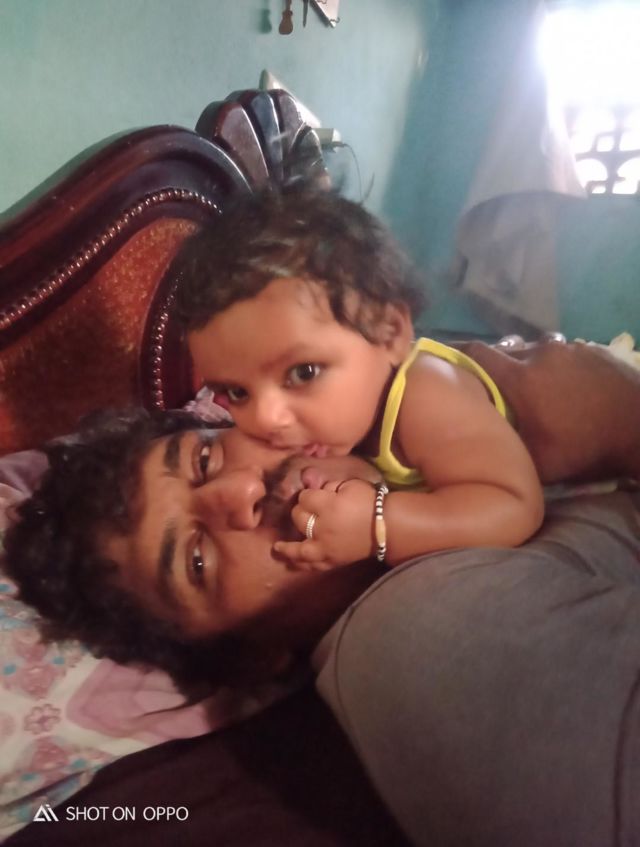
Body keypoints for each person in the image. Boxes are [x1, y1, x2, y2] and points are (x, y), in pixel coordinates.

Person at [3, 344, 640, 845]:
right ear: (255, 658)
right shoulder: (421, 637)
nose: (245, 490)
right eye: (196, 559)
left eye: (203, 460)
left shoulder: (409, 434)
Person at [171, 188, 544, 572]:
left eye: (303, 372)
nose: (265, 419)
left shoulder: (426, 397)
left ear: (390, 334)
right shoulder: (335, 419)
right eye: (237, 392)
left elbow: (514, 505)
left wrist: (376, 527)